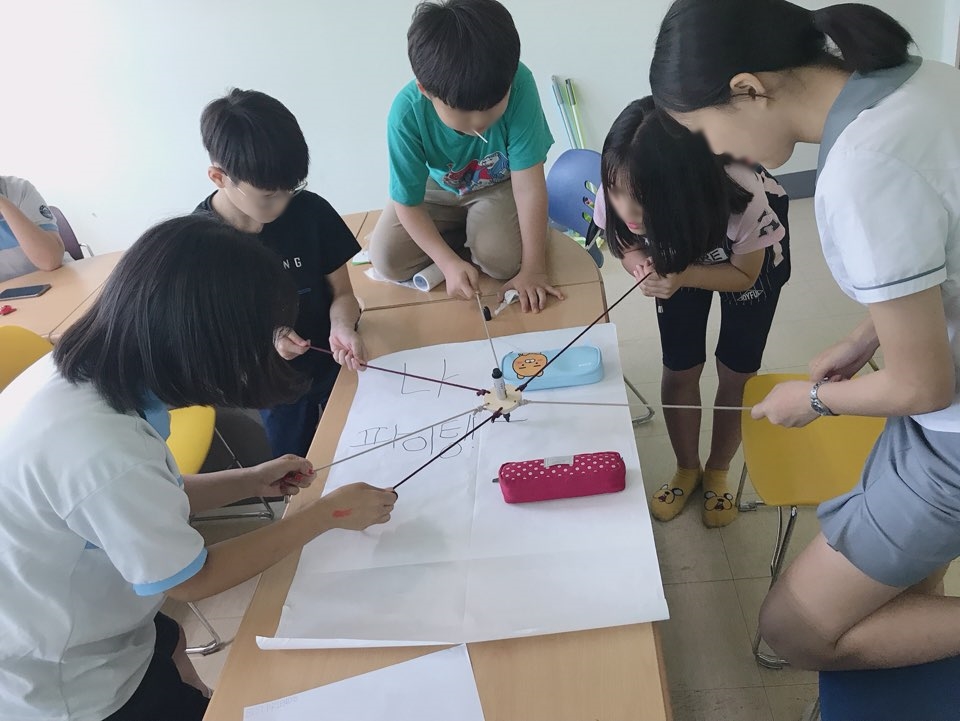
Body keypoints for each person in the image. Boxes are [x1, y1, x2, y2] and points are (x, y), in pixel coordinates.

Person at [650, 0, 960, 671]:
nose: (716, 154)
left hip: (948, 431)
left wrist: (814, 401)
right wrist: (864, 338)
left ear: (747, 89)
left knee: (790, 629)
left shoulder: (863, 168)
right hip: (937, 406)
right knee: (897, 588)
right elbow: (943, 255)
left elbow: (923, 385)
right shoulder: (928, 81)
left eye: (705, 134)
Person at [0, 215, 397, 721]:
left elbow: (147, 498)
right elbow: (191, 579)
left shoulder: (90, 371)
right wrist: (323, 515)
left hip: (96, 610)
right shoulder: (100, 447)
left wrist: (249, 481)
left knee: (171, 649)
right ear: (205, 344)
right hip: (69, 681)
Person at [595, 97, 789, 528]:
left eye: (642, 199)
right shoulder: (618, 182)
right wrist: (641, 267)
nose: (628, 210)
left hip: (749, 260)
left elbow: (743, 275)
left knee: (737, 371)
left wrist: (686, 276)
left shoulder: (740, 193)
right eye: (617, 193)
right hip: (677, 256)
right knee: (680, 366)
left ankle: (718, 470)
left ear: (681, 185)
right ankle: (687, 468)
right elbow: (625, 245)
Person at [196, 89, 364, 458]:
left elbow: (343, 294)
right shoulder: (202, 247)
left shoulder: (310, 212)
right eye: (269, 195)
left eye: (291, 189)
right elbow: (214, 344)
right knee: (296, 468)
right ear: (219, 177)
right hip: (273, 386)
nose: (284, 202)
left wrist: (342, 325)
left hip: (337, 366)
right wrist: (266, 342)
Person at [368, 0, 564, 313]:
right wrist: (446, 263)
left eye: (492, 107)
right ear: (426, 91)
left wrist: (534, 269)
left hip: (498, 185)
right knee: (387, 260)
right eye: (463, 112)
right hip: (436, 189)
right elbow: (408, 203)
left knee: (503, 263)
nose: (479, 122)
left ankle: (479, 233)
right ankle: (469, 235)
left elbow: (528, 186)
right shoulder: (406, 113)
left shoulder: (520, 84)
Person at [0, 175, 66, 282]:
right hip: (12, 290)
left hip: (57, 279)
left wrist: (3, 204)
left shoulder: (19, 189)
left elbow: (50, 261)